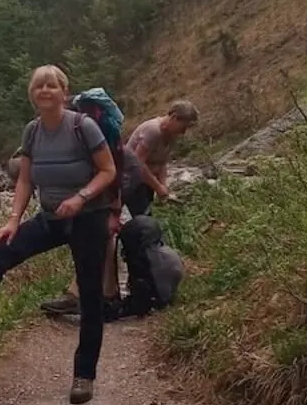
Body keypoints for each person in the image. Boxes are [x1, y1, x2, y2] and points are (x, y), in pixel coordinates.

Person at [0, 65, 120, 405]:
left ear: (64, 92)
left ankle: (84, 375)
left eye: (51, 85)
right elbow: (25, 180)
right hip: (50, 218)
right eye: (38, 86)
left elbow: (108, 171)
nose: (45, 90)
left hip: (88, 218)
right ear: (32, 94)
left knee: (90, 295)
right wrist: (13, 220)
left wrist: (80, 198)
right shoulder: (32, 132)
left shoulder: (83, 126)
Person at [40, 99, 199, 317]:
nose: (184, 132)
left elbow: (158, 164)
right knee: (108, 232)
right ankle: (102, 292)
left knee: (117, 232)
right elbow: (138, 165)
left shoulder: (165, 136)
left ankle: (107, 292)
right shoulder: (151, 131)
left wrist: (163, 188)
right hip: (128, 182)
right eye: (184, 126)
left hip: (130, 183)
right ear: (173, 117)